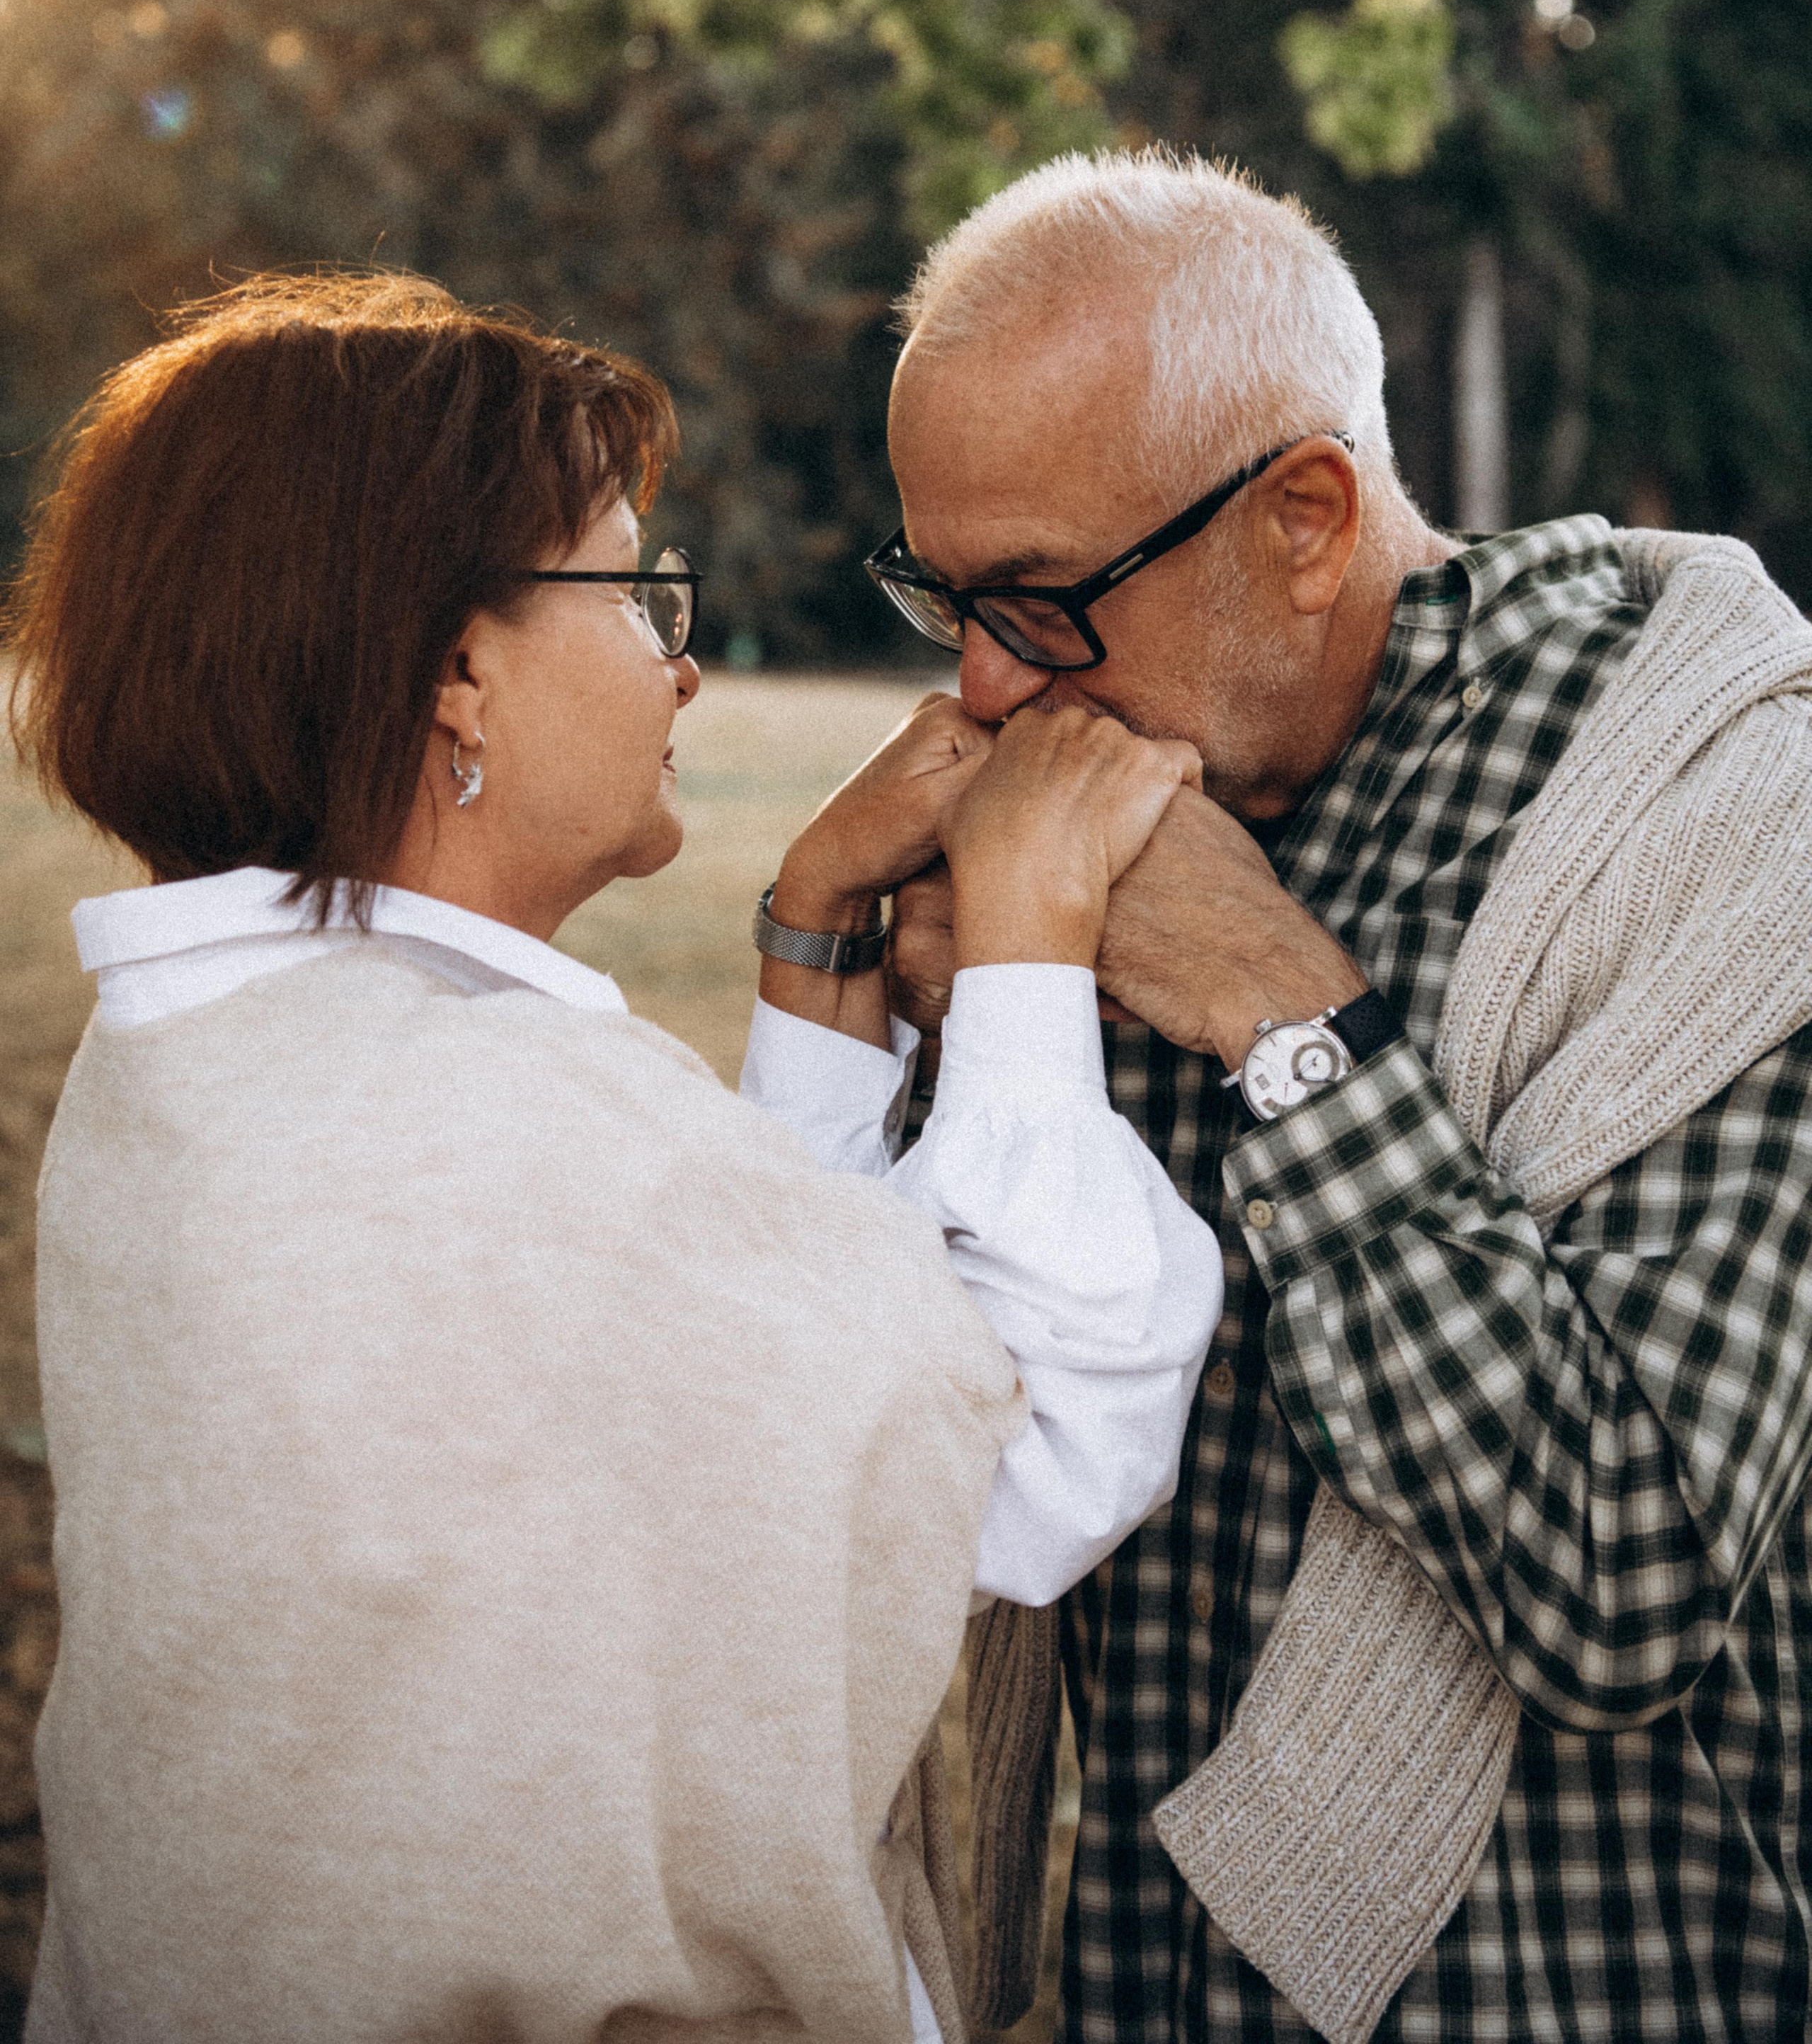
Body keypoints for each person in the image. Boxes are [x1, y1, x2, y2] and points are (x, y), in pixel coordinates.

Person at [4, 269, 1225, 2044]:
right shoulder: (488, 1125)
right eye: (635, 586)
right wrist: (1031, 940)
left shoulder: (215, 1054)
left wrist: (816, 935)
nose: (684, 655)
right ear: (455, 670)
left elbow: (739, 1358)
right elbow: (1033, 1447)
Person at [872, 151, 1812, 2044]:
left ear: (1307, 519)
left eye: (1042, 601)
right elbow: (949, 1461)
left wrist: (1279, 1011)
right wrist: (879, 1001)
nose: (980, 679)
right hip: (1148, 1978)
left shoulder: (1735, 820)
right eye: (939, 594)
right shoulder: (1075, 801)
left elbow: (1622, 1581)